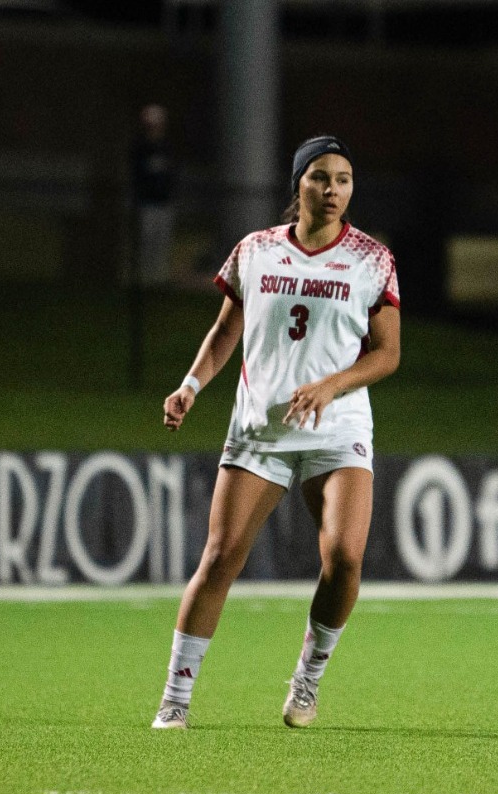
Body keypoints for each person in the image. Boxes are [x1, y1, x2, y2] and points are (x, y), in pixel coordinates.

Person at [151, 135, 401, 730]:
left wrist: (331, 385)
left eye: (343, 179)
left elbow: (387, 354)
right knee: (219, 558)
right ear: (299, 185)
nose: (333, 189)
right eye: (320, 177)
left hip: (336, 427)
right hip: (260, 428)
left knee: (344, 558)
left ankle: (307, 683)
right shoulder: (256, 251)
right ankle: (175, 699)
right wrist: (191, 385)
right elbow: (225, 331)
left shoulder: (371, 258)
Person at [129, 104, 176, 286]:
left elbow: (172, 173)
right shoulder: (140, 147)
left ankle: (159, 280)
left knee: (161, 243)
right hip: (147, 202)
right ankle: (144, 279)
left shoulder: (166, 147)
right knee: (146, 242)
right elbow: (137, 175)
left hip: (164, 202)